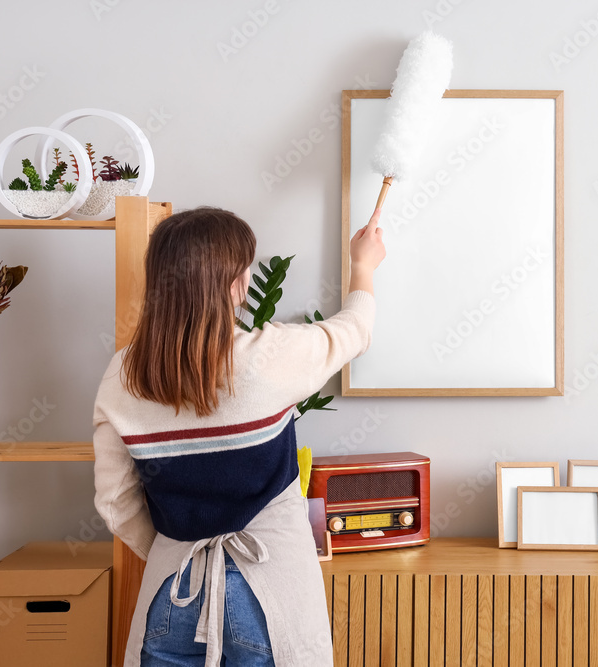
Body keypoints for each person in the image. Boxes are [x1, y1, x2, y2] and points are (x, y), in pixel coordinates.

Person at [92, 205, 385, 667]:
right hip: (268, 596)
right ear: (235, 284)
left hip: (174, 594)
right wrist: (363, 264)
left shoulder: (122, 377)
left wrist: (175, 548)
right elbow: (355, 330)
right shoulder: (272, 357)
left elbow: (113, 501)